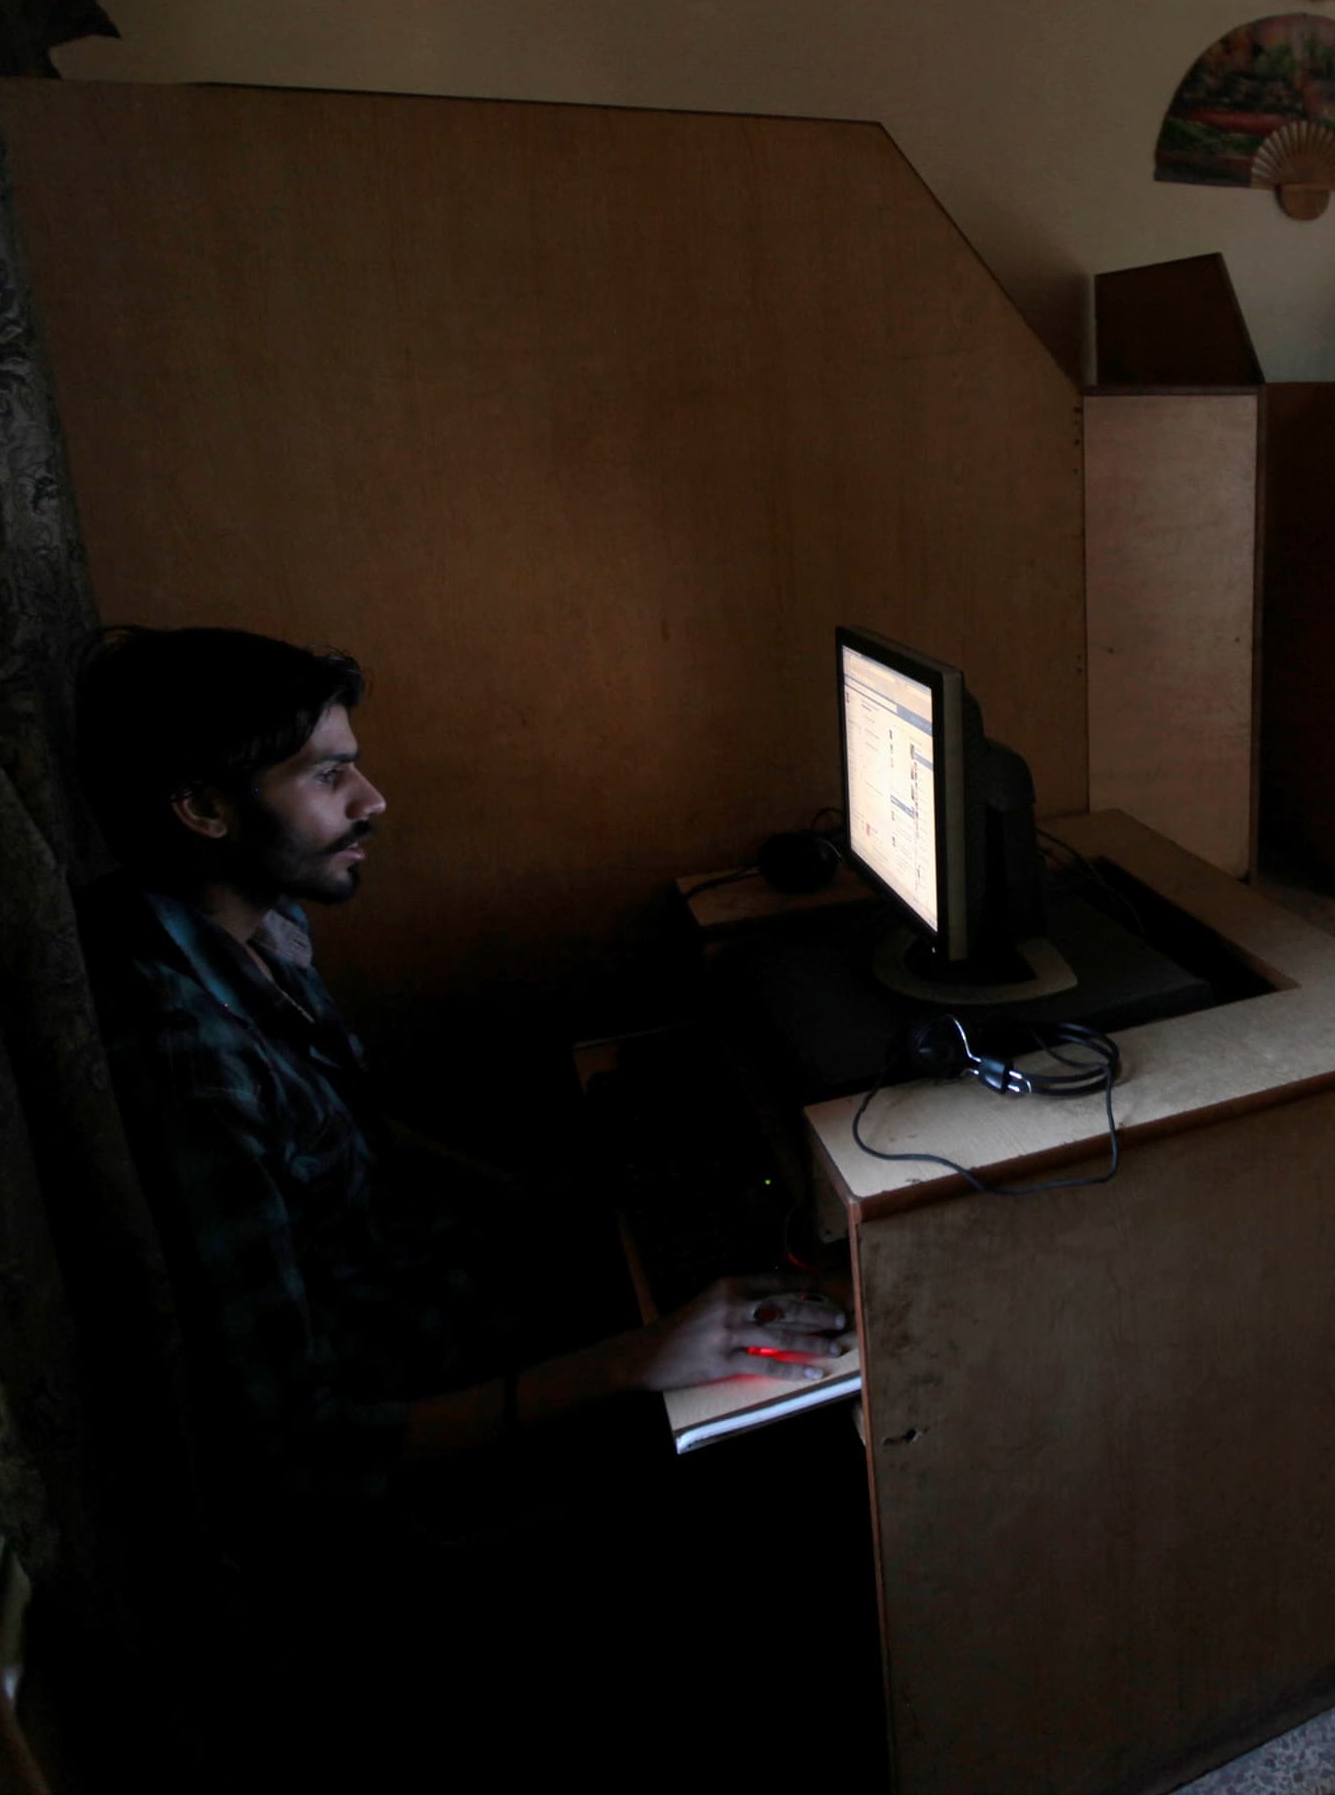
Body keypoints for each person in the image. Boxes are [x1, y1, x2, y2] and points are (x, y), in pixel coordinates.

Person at [71, 625, 871, 1769]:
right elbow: (298, 1450)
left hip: (437, 1275)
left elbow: (351, 1134)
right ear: (203, 810)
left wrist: (556, 1202)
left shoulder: (254, 932)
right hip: (418, 1443)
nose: (374, 799)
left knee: (740, 1262)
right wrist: (632, 1358)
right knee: (796, 1451)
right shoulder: (183, 1059)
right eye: (328, 776)